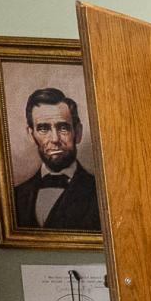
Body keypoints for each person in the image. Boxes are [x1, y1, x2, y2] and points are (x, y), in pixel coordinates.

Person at [11, 87, 101, 232]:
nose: (54, 139)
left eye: (63, 128)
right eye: (43, 129)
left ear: (78, 132)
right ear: (31, 135)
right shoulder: (15, 196)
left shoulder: (101, 193)